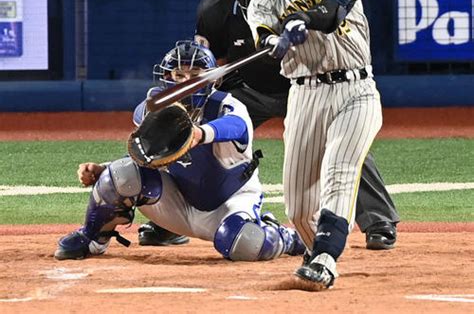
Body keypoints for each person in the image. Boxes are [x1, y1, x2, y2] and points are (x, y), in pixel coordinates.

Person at [139, 0, 399, 251]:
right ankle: (170, 221)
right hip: (251, 90)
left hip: (308, 87)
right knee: (197, 129)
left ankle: (378, 220)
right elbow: (209, 63)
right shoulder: (213, 11)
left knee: (344, 143)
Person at [236, 0, 386, 290]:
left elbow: (335, 11)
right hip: (304, 97)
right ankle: (316, 245)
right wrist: (277, 41)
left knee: (340, 170)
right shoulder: (261, 1)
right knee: (299, 207)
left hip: (355, 90)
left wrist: (304, 19)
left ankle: (324, 257)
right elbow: (264, 36)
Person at [54, 40, 305, 262]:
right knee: (120, 174)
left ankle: (283, 236)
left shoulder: (228, 106)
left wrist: (199, 133)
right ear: (166, 77)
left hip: (227, 204)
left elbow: (235, 127)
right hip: (178, 202)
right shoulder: (153, 110)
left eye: (195, 72)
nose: (186, 81)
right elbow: (148, 158)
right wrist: (104, 170)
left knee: (245, 243)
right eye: (178, 74)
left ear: (213, 78)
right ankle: (93, 238)